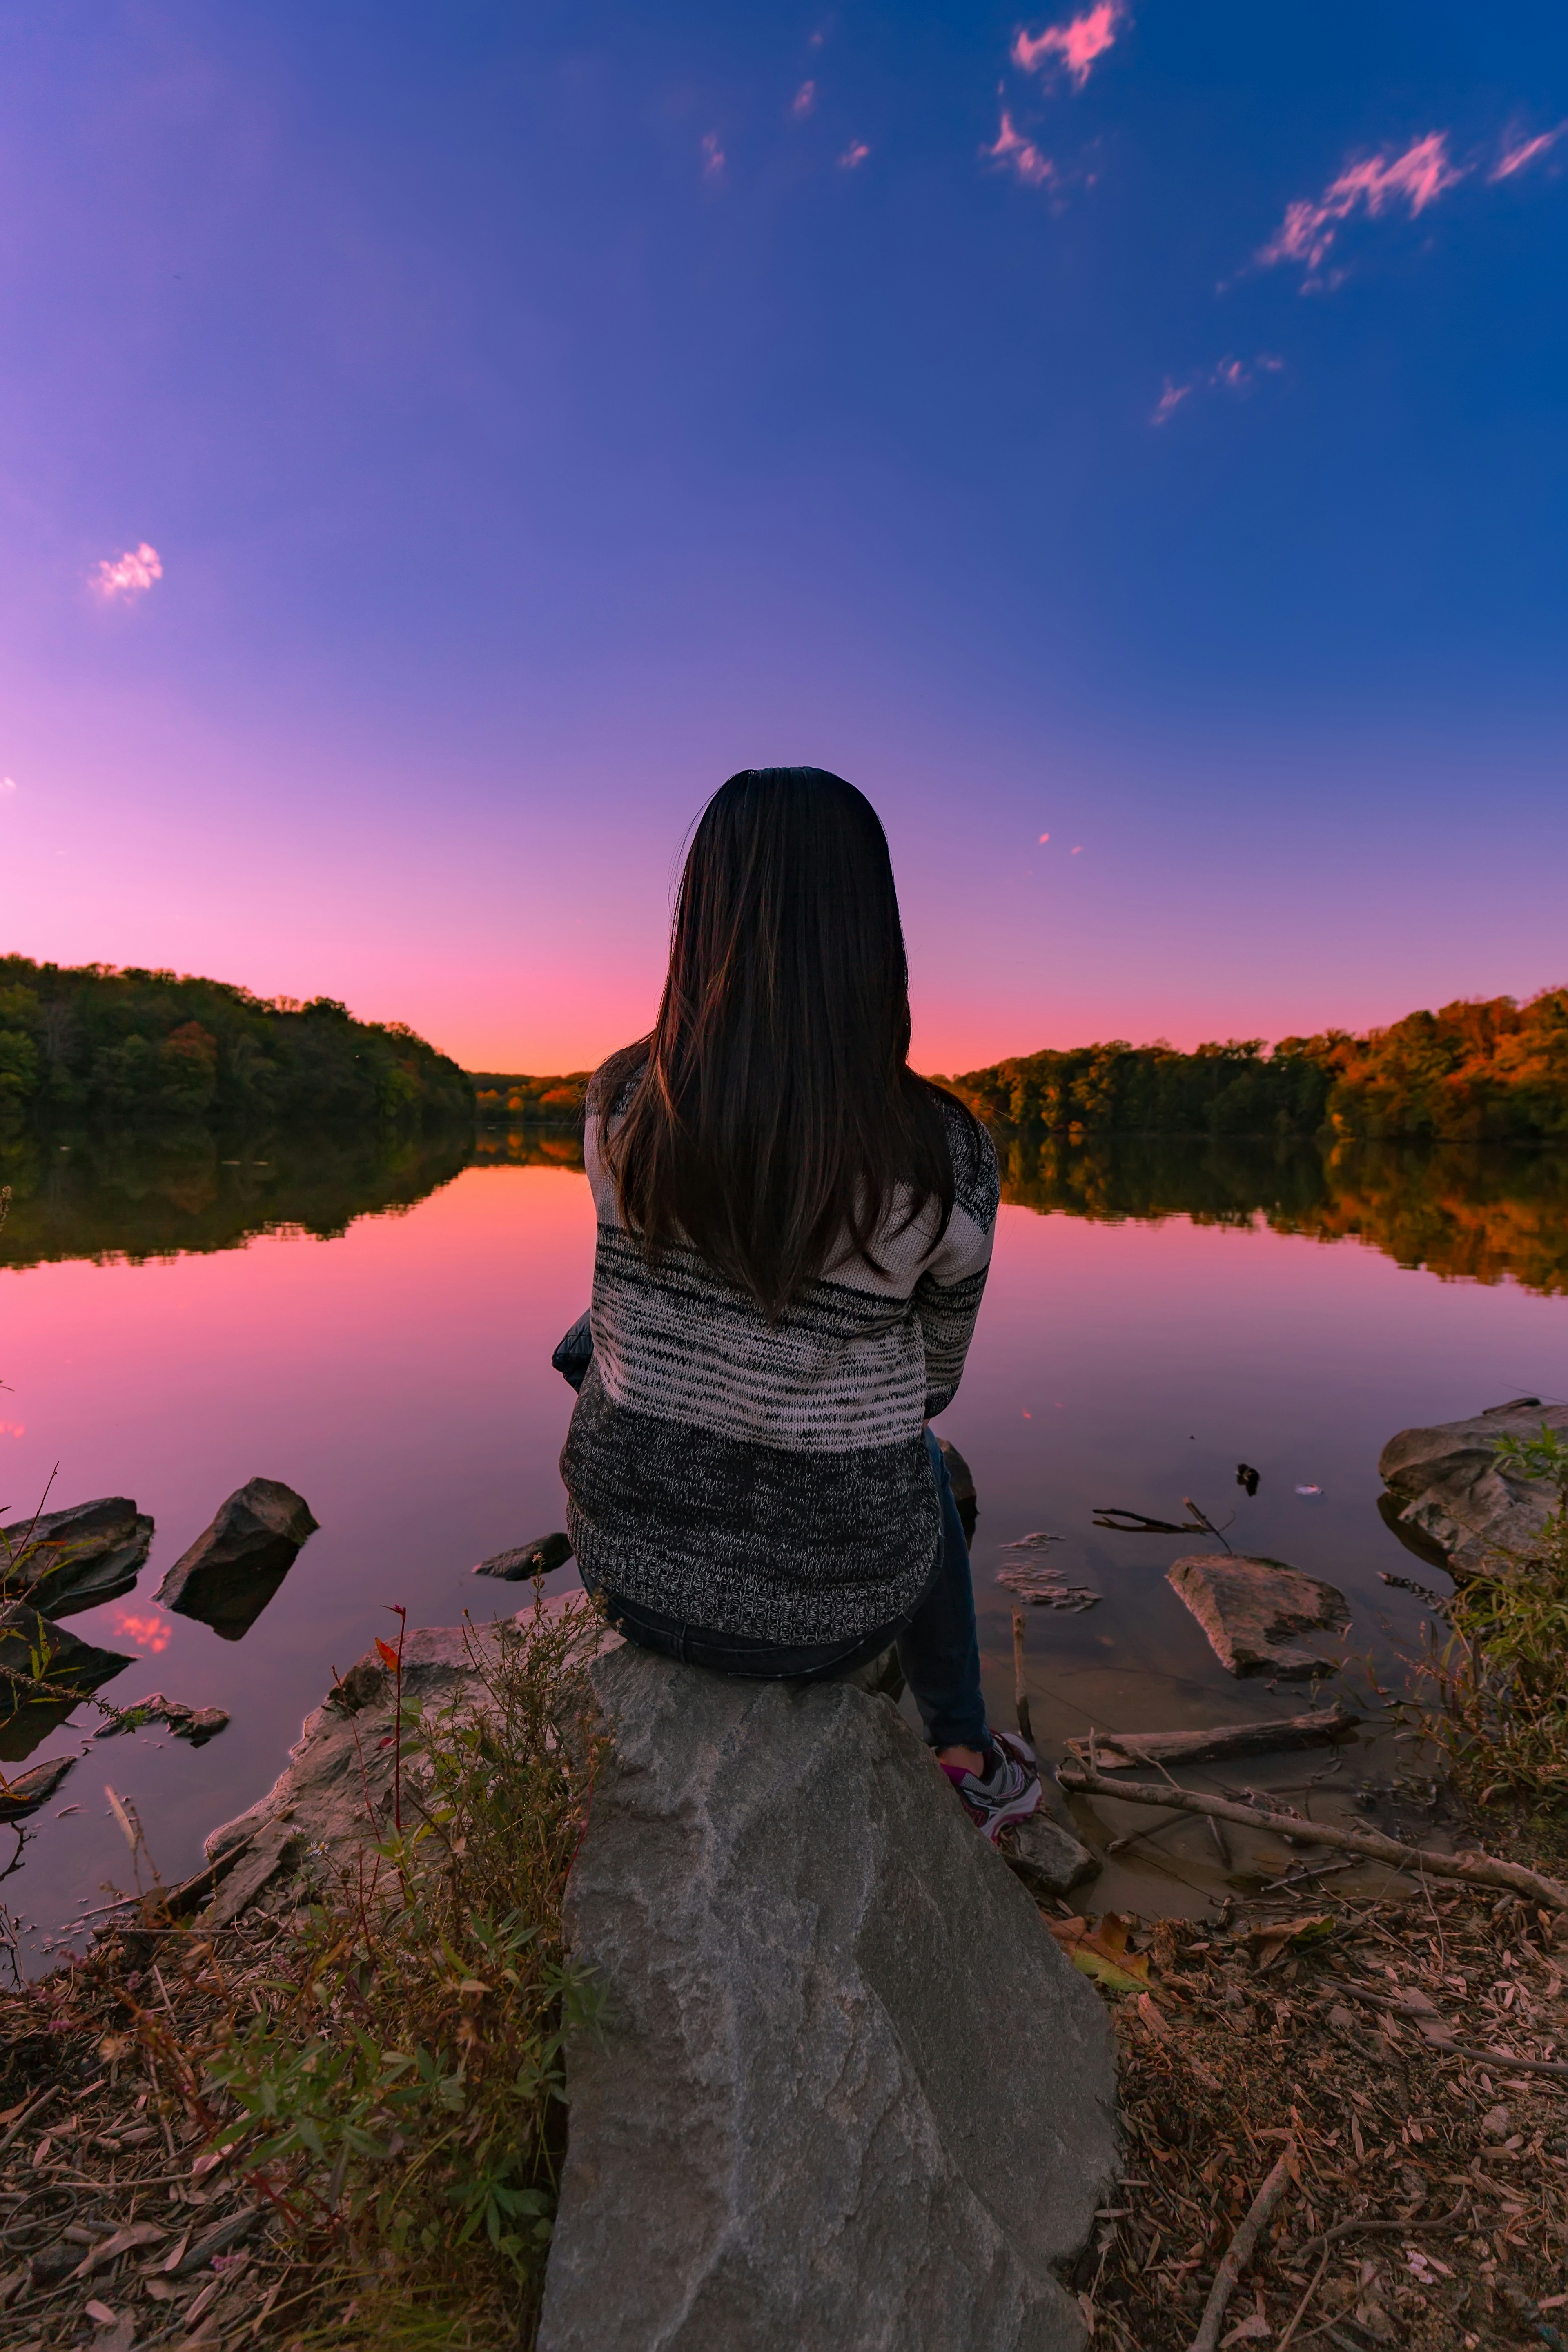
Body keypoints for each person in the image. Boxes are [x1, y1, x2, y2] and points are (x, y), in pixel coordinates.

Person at [556, 766, 1040, 1841]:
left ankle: (957, 1743)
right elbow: (935, 1388)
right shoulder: (949, 1153)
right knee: (914, 1457)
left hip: (630, 1577)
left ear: (703, 918)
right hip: (836, 1612)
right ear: (874, 935)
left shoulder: (620, 1096)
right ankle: (963, 1751)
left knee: (594, 1333)